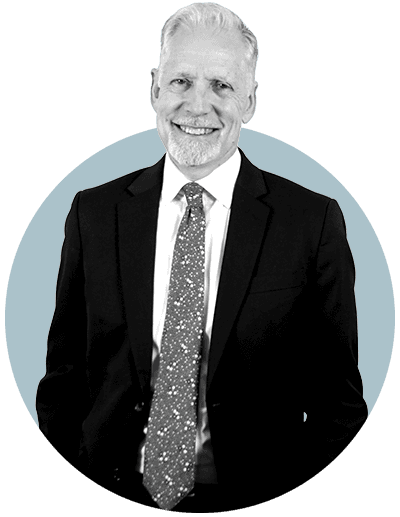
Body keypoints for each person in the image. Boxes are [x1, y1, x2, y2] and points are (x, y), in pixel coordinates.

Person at [36, 3, 368, 512]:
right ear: (154, 88)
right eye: (181, 81)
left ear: (251, 101)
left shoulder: (312, 222)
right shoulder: (92, 214)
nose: (197, 105)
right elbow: (63, 380)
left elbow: (338, 407)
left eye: (221, 86)